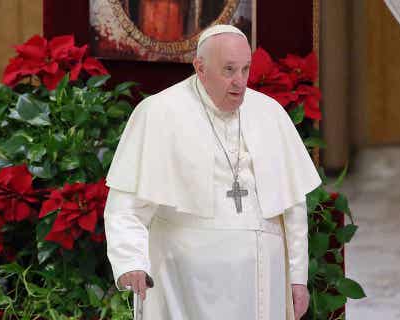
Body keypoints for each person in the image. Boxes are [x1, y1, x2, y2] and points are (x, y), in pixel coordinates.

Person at [103, 24, 321, 320]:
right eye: (229, 70)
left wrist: (297, 278)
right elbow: (126, 203)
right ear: (200, 68)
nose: (240, 82)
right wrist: (130, 261)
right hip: (183, 283)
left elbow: (292, 207)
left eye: (245, 69)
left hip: (258, 283)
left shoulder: (269, 114)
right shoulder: (158, 112)